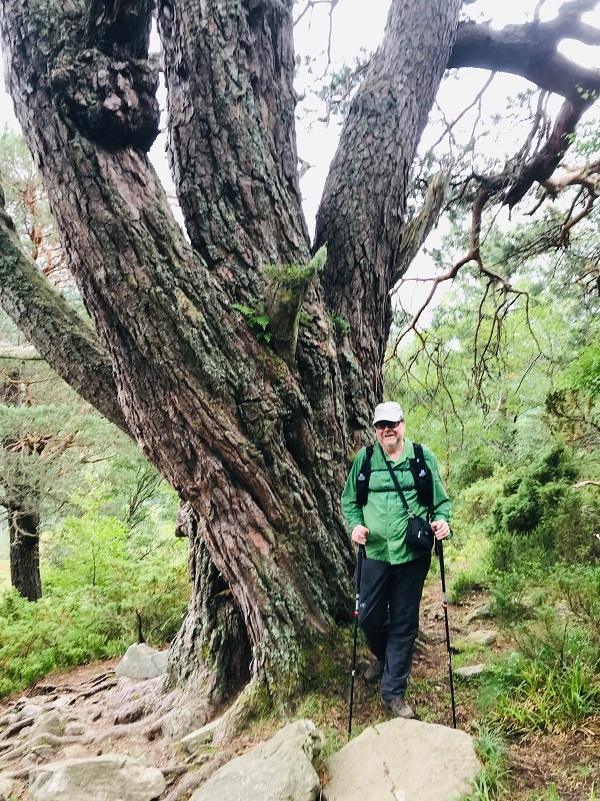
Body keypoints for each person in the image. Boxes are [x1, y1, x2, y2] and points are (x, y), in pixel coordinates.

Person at [341, 401, 451, 719]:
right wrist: (356, 525)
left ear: (402, 424)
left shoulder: (420, 457)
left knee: (404, 622)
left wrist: (442, 521)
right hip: (374, 553)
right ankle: (386, 657)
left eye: (393, 423)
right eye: (381, 425)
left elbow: (440, 501)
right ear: (375, 429)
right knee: (368, 617)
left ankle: (393, 693)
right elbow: (350, 500)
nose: (387, 429)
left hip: (411, 556)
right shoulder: (364, 461)